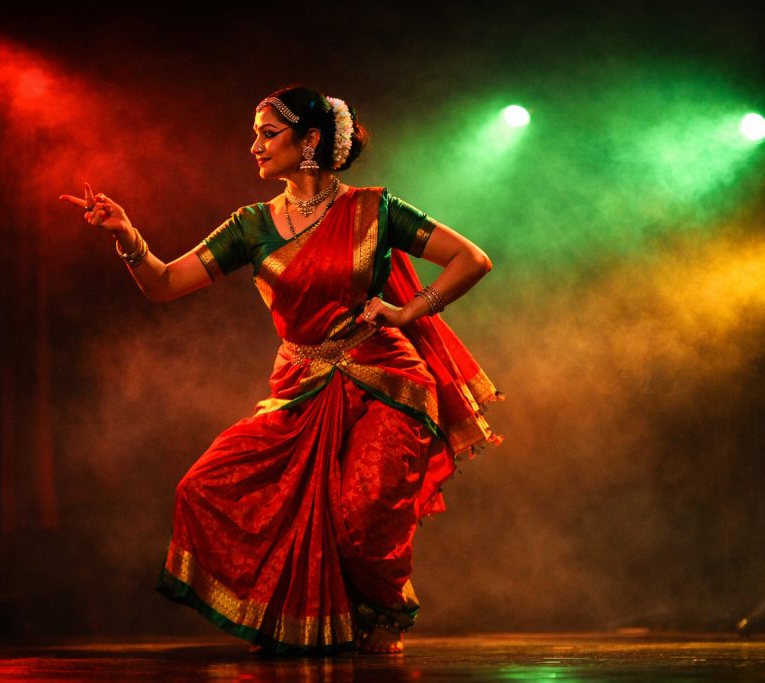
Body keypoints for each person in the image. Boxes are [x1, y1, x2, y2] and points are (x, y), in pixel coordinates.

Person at [61, 86, 500, 655]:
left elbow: (473, 259)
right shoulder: (251, 225)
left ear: (310, 140)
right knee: (205, 486)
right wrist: (128, 238)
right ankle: (312, 618)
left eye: (268, 134)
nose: (254, 146)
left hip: (387, 381)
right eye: (256, 134)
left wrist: (407, 310)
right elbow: (164, 283)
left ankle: (387, 616)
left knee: (363, 513)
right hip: (301, 389)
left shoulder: (375, 208)